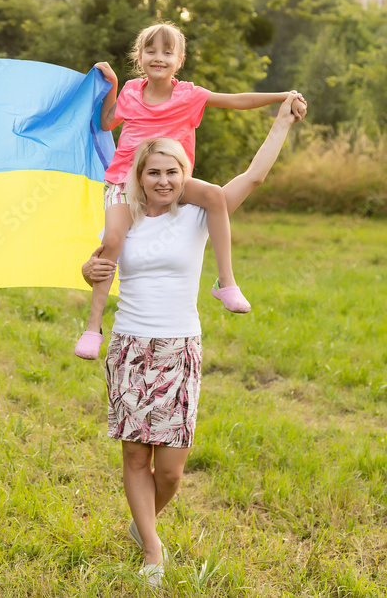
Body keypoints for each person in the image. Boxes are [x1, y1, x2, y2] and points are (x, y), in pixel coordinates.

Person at [81, 92, 305, 588]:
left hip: (180, 348)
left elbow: (255, 176)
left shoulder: (203, 213)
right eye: (154, 172)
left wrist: (282, 122)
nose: (163, 181)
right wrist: (86, 268)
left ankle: (144, 527)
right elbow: (99, 267)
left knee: (172, 472)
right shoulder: (124, 218)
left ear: (185, 174)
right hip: (131, 346)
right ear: (139, 176)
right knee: (136, 456)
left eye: (172, 172)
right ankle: (152, 549)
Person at [74, 22, 306, 359]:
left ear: (179, 60)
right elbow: (108, 122)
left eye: (167, 52)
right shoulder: (130, 92)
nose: (158, 57)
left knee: (213, 195)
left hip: (170, 179)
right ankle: (93, 326)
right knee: (111, 241)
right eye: (151, 51)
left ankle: (225, 282)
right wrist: (111, 85)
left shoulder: (189, 96)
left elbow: (238, 101)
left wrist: (283, 96)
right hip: (124, 178)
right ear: (139, 57)